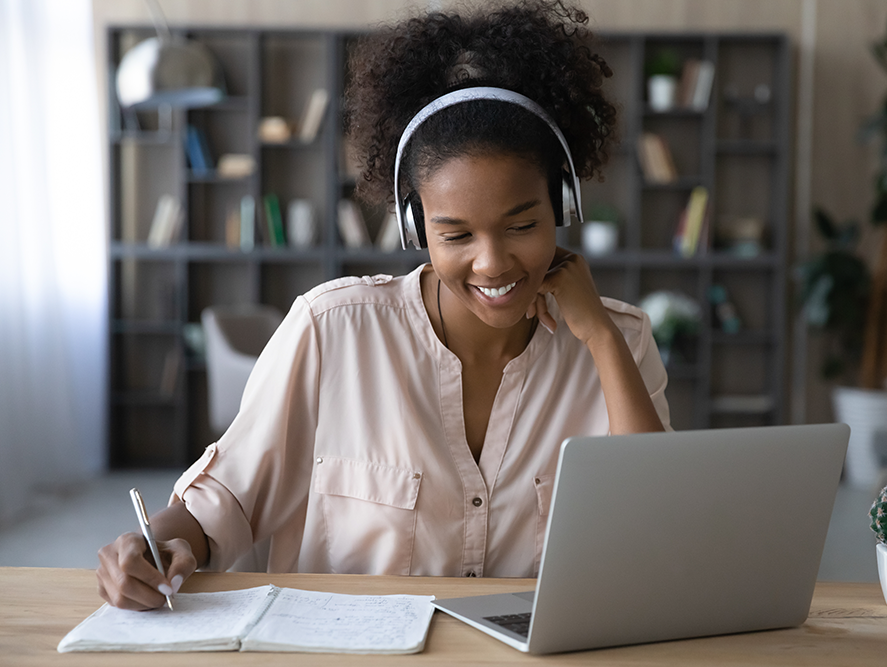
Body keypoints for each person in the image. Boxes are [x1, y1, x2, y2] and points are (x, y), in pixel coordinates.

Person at [97, 0, 671, 611]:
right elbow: (224, 503)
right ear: (415, 227)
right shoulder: (332, 330)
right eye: (456, 235)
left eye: (522, 224)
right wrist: (150, 548)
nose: (493, 262)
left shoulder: (622, 339)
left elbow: (654, 529)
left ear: (563, 206)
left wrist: (602, 340)